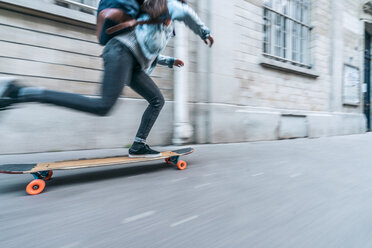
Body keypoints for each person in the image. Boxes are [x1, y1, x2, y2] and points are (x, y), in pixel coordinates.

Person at [0, 0, 214, 157]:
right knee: (103, 105)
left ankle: (139, 145)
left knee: (157, 100)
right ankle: (19, 92)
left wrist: (169, 61)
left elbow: (146, 49)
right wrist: (204, 33)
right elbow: (186, 13)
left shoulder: (160, 22)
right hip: (121, 52)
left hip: (132, 62)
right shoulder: (172, 6)